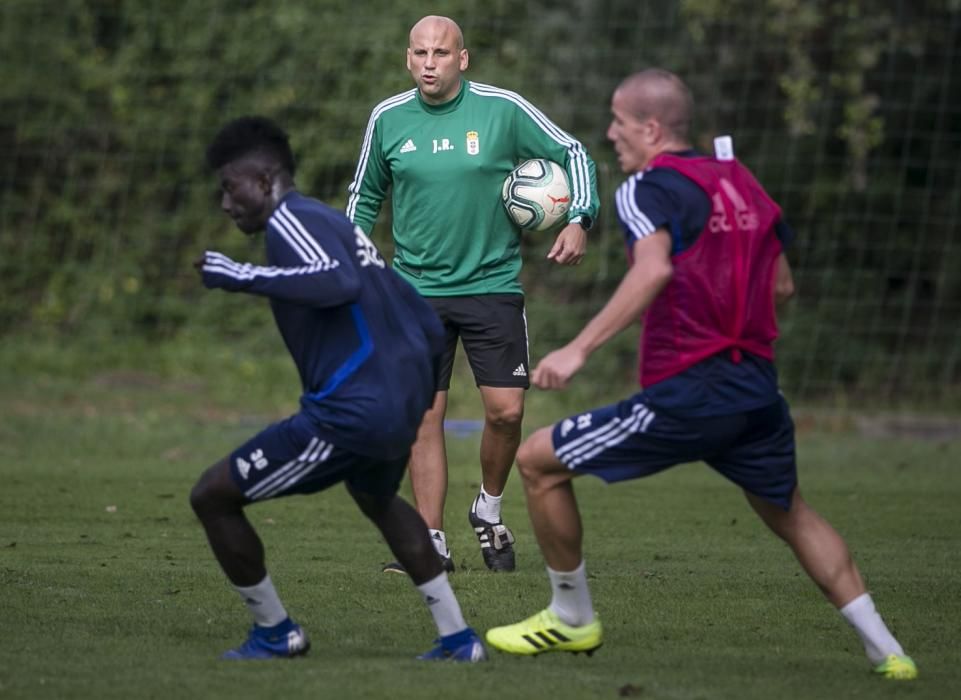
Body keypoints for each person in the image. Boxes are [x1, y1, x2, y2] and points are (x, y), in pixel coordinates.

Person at [485, 69, 917, 680]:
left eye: (619, 121)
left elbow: (652, 270)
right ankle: (888, 650)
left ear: (651, 129)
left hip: (690, 391)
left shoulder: (645, 188)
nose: (610, 133)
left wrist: (577, 349)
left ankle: (571, 617)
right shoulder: (740, 182)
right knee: (790, 511)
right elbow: (784, 285)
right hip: (757, 390)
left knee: (536, 461)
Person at [190, 116, 486, 662]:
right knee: (377, 499)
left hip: (351, 413)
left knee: (212, 495)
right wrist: (415, 394)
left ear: (265, 175)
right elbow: (418, 315)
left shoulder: (291, 220)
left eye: (229, 187)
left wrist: (239, 274)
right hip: (394, 407)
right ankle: (458, 638)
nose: (226, 204)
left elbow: (337, 282)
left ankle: (276, 633)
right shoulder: (333, 221)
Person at [346, 15, 600, 575]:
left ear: (463, 59)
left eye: (441, 52)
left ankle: (488, 507)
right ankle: (430, 542)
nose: (429, 62)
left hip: (492, 286)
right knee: (422, 416)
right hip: (413, 293)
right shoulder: (388, 119)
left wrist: (579, 217)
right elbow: (363, 197)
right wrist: (351, 263)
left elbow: (573, 153)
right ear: (407, 58)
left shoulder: (502, 109)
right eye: (419, 53)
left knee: (506, 413)